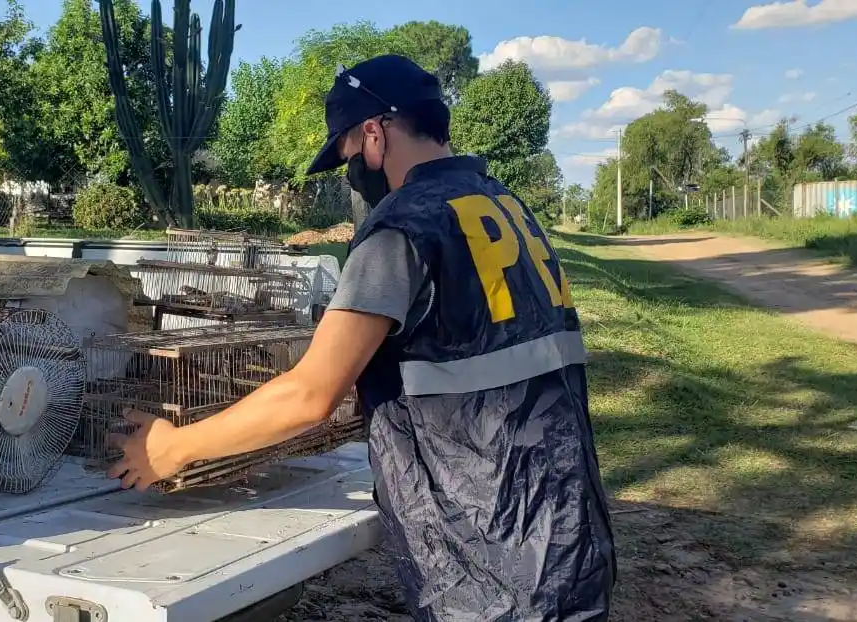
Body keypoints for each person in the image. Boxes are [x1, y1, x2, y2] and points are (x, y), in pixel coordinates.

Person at [107, 54, 616, 620]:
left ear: (375, 133)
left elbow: (311, 396)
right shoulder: (504, 206)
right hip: (568, 529)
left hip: (487, 552)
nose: (352, 168)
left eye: (349, 152)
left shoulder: (402, 229)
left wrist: (173, 448)